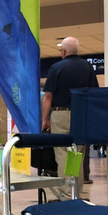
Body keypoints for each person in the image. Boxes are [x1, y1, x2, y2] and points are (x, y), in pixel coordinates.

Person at [41, 36, 99, 199]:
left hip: (61, 115)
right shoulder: (87, 67)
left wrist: (45, 119)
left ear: (64, 52)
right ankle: (76, 193)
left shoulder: (56, 68)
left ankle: (66, 195)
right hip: (81, 116)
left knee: (63, 155)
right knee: (77, 156)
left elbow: (48, 97)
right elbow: (94, 94)